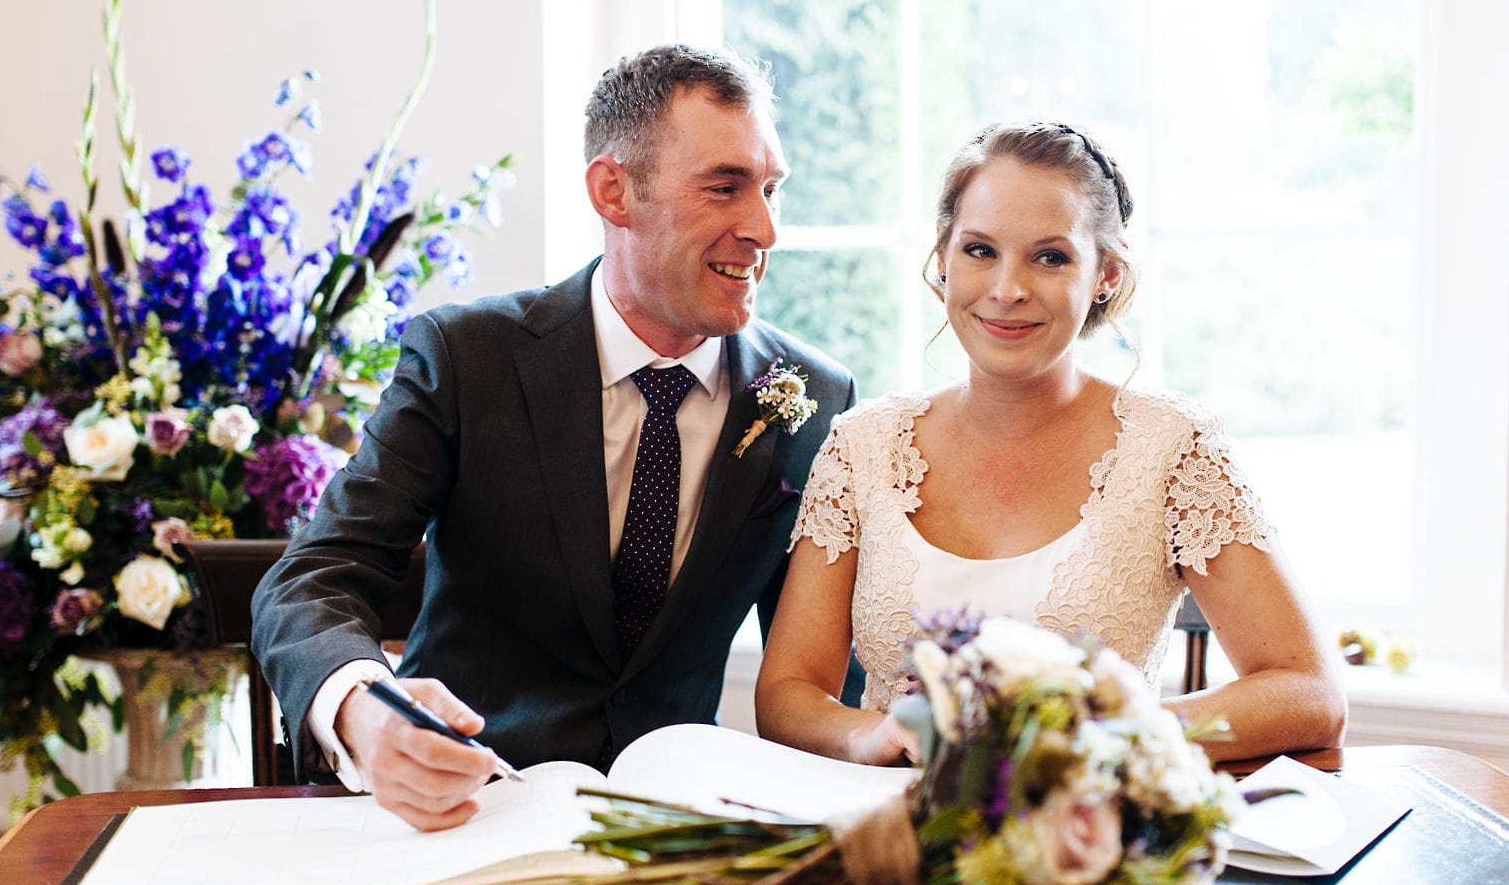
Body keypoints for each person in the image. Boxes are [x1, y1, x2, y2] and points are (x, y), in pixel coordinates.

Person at [251, 44, 856, 830]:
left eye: (771, 190)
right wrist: (364, 708)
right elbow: (313, 576)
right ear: (614, 190)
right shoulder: (466, 358)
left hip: (674, 832)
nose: (764, 229)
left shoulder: (813, 396)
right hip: (462, 813)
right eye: (725, 187)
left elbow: (818, 670)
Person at [755, 121, 1346, 766]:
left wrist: (1111, 730)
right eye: (980, 250)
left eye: (1051, 257)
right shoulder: (861, 445)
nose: (1007, 289)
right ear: (943, 257)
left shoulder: (1172, 450)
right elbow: (787, 693)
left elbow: (1310, 692)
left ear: (1106, 274)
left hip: (1091, 817)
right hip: (891, 817)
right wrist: (867, 735)